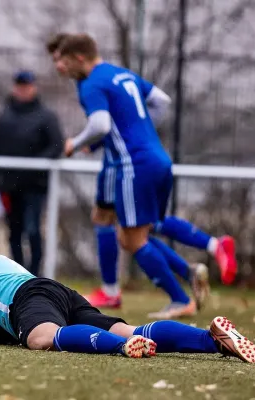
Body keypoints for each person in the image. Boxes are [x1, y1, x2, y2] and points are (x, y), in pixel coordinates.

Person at [45, 34, 237, 313]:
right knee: (132, 226)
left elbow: (100, 124)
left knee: (133, 238)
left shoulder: (91, 83)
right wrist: (138, 128)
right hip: (156, 158)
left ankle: (183, 297)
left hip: (133, 166)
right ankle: (194, 266)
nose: (58, 66)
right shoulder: (120, 74)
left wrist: (75, 143)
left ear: (79, 57)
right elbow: (162, 101)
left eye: (61, 59)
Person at [0, 251, 255, 363]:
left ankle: (121, 349)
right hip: (54, 291)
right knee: (130, 329)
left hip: (26, 296)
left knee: (42, 338)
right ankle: (212, 339)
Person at [0, 71, 63, 276]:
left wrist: (34, 167)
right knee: (14, 233)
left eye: (26, 86)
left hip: (35, 186)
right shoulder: (5, 115)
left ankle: (35, 274)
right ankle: (19, 274)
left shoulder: (46, 116)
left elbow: (56, 146)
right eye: (19, 86)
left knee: (33, 230)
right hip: (9, 187)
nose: (22, 90)